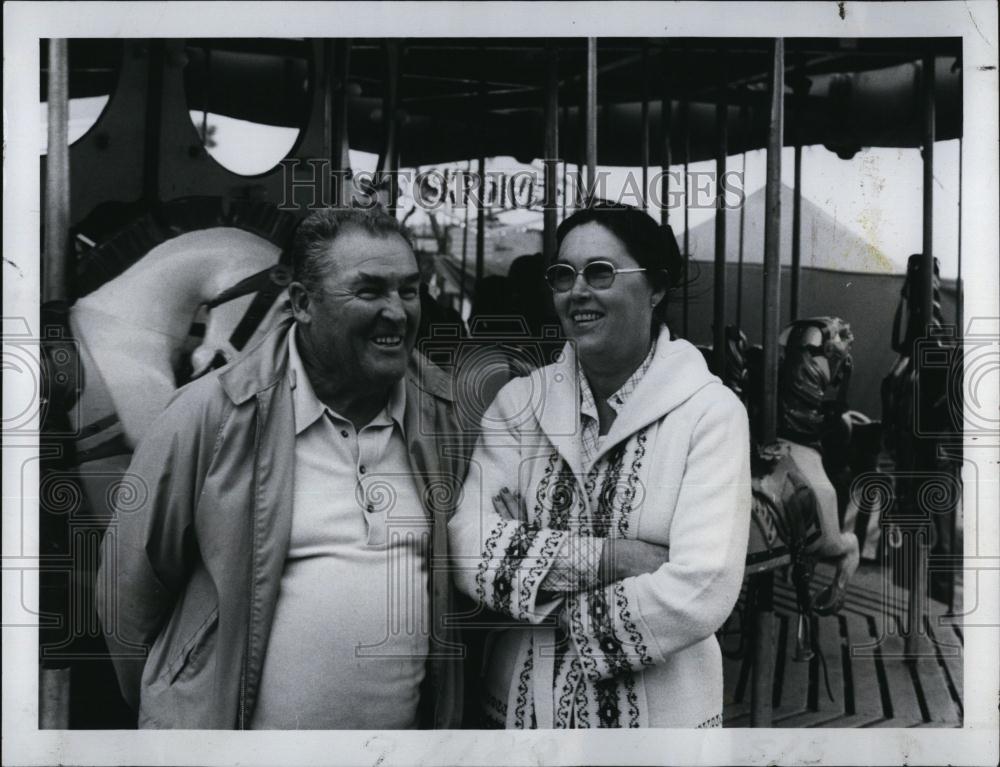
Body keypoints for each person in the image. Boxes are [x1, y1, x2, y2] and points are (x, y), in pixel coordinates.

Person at [96, 206, 472, 729]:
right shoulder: (211, 412)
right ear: (302, 304)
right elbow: (126, 590)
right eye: (369, 291)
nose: (397, 312)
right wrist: (178, 710)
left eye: (408, 291)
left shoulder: (443, 414)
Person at [448, 202, 751, 728]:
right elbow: (465, 546)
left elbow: (704, 586)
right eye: (563, 275)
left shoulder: (709, 411)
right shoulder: (519, 401)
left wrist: (532, 563)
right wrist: (616, 559)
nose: (577, 291)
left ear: (656, 288)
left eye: (601, 272)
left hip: (659, 719)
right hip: (522, 710)